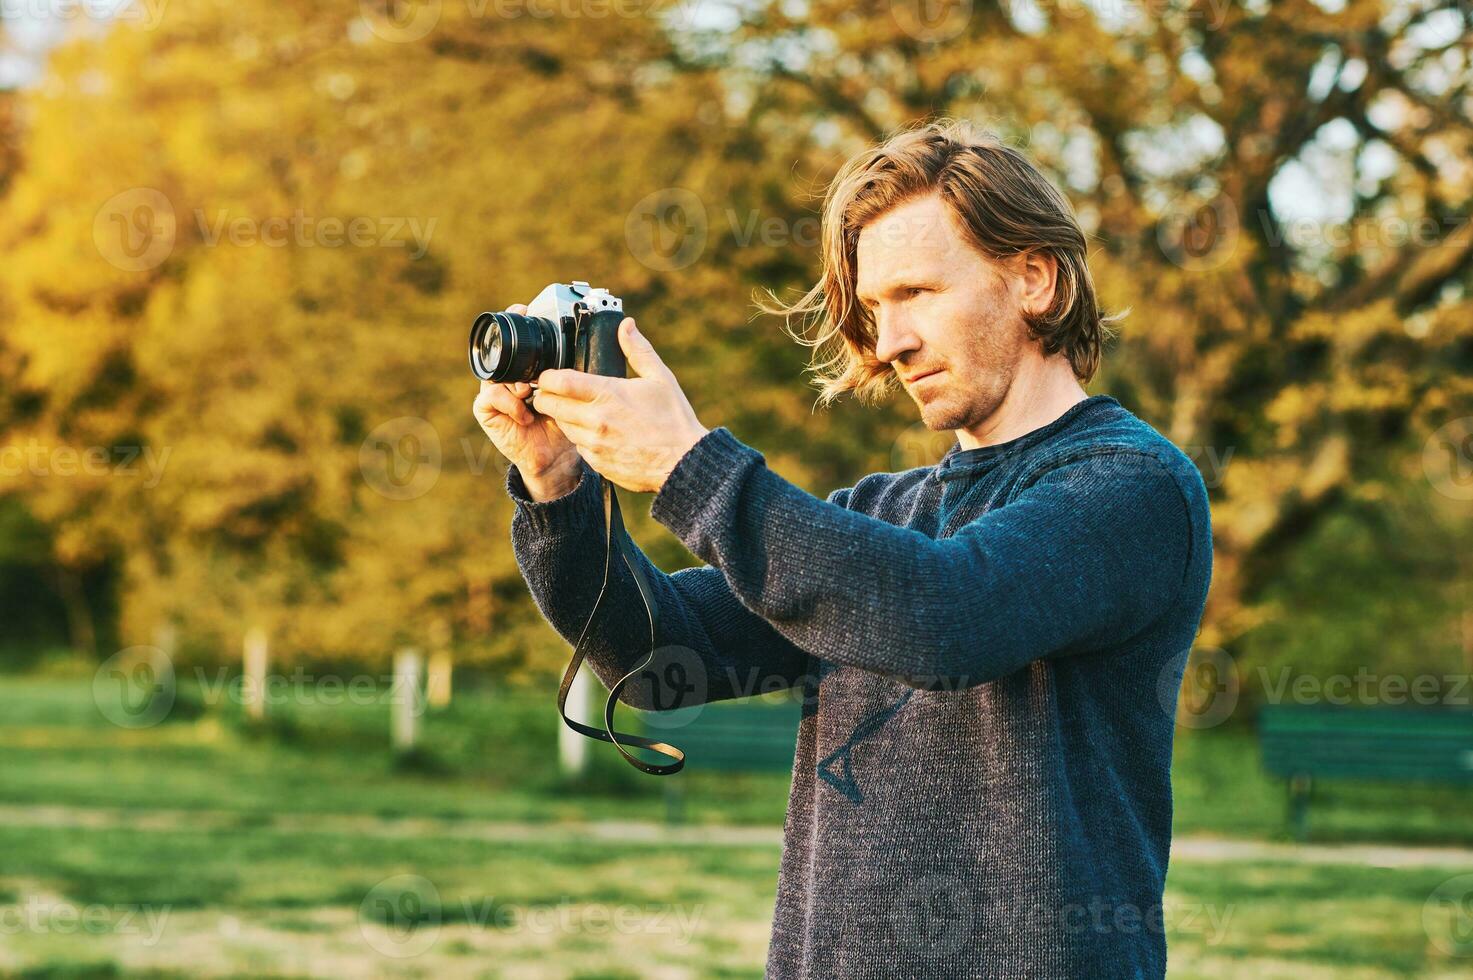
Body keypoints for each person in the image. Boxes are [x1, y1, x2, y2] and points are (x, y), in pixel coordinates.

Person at [473, 119, 1213, 979]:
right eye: (873, 307)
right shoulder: (881, 513)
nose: (888, 341)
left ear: (1033, 278)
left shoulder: (1132, 487)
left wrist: (690, 467)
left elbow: (946, 618)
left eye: (918, 294)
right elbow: (657, 655)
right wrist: (558, 484)